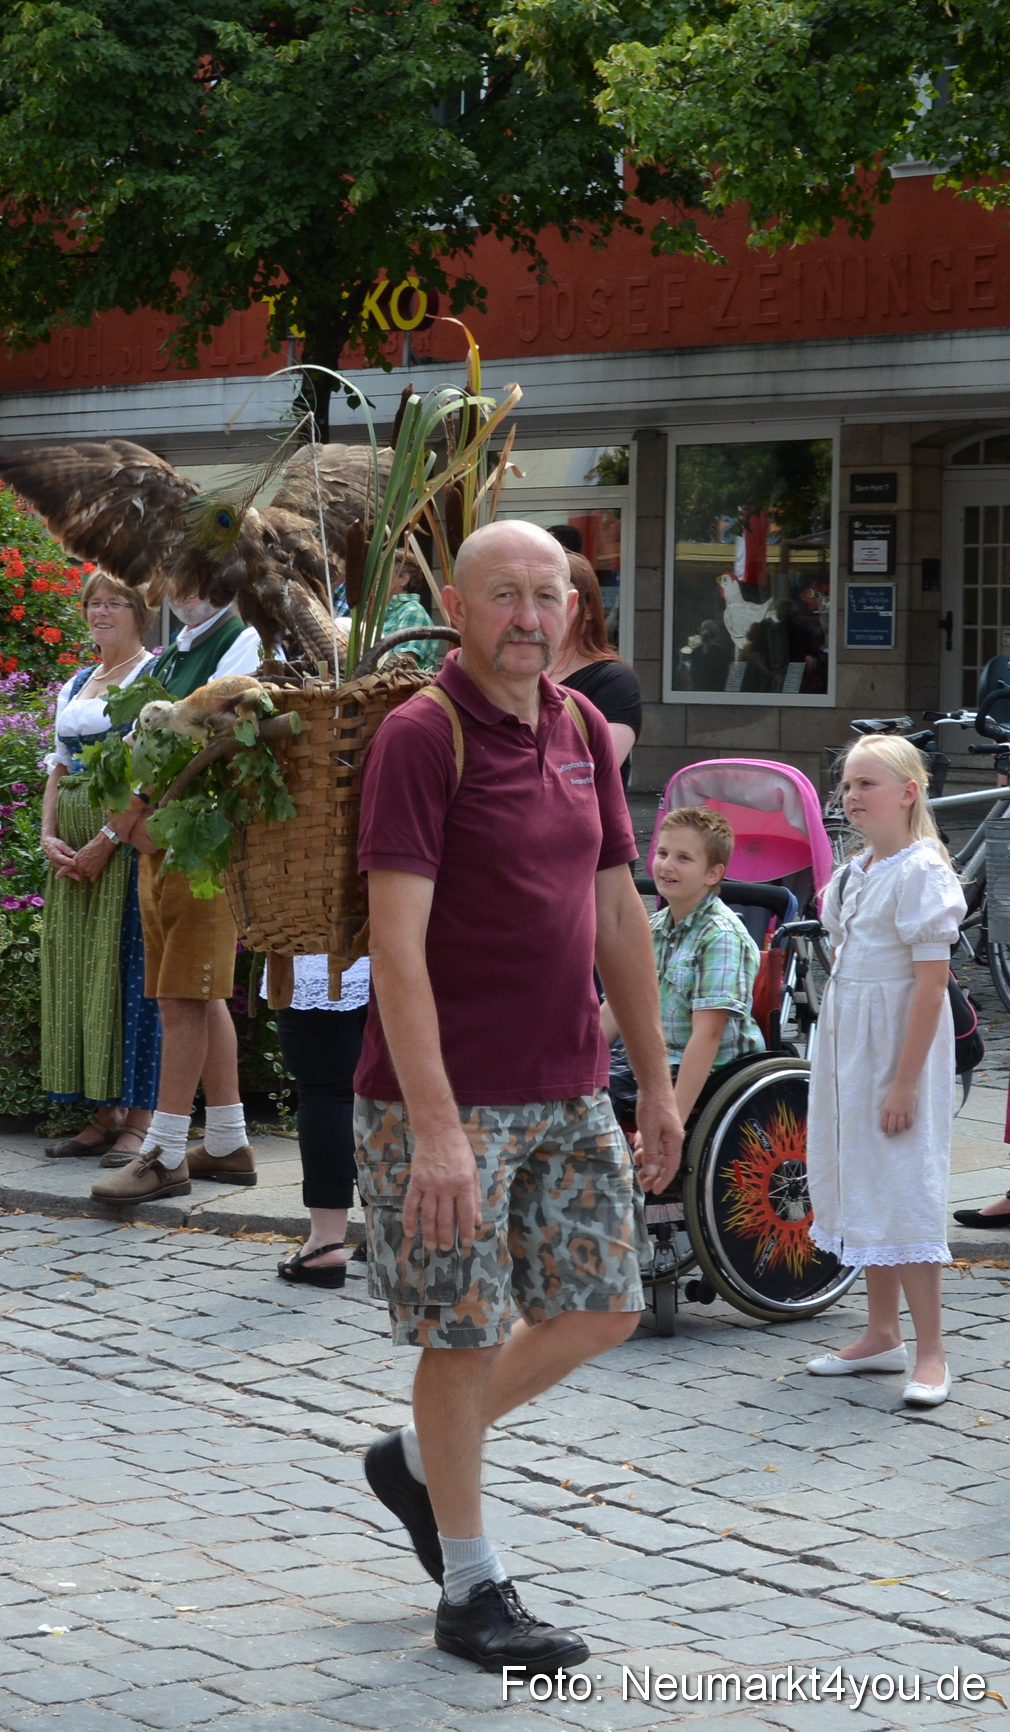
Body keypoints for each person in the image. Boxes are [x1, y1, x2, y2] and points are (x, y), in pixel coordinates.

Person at [354, 520, 681, 1676]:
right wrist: (436, 1131)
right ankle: (470, 1583)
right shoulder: (418, 736)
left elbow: (620, 912)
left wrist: (655, 1080)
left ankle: (414, 1456)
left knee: (607, 1304)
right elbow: (396, 949)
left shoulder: (584, 723)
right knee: (465, 1331)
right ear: (457, 604)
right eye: (505, 595)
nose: (530, 617)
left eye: (551, 594)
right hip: (446, 1102)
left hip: (570, 1082)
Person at [805, 736, 965, 1409]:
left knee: (903, 1186)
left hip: (896, 1052)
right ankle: (879, 1332)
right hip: (847, 1050)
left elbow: (929, 987)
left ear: (907, 791)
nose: (851, 797)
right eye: (846, 785)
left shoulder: (920, 872)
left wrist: (902, 1082)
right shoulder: (856, 871)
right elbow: (844, 960)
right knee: (860, 1179)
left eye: (867, 784)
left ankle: (930, 1350)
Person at [90, 596, 260, 1204]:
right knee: (194, 992)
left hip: (201, 842)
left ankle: (161, 1152)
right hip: (168, 841)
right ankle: (226, 1141)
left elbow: (223, 731)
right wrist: (130, 816)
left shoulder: (241, 643)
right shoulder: (183, 648)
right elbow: (154, 738)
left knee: (184, 995)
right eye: (175, 574)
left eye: (199, 575)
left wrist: (131, 810)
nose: (183, 588)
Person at [39, 571, 162, 1163]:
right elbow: (58, 769)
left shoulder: (150, 679)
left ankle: (140, 1119)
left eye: (116, 602)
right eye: (94, 602)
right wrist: (49, 835)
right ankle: (103, 1112)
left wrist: (106, 840)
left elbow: (147, 776)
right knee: (85, 976)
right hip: (72, 853)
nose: (101, 611)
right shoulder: (78, 682)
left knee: (131, 978)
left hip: (123, 849)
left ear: (141, 611)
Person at [604, 807, 764, 1127]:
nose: (667, 865)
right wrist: (577, 1064)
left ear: (713, 874)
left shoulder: (721, 937)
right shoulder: (651, 928)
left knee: (596, 1100)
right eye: (663, 853)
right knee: (574, 1087)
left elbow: (708, 1037)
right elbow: (617, 1008)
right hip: (657, 1059)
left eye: (683, 858)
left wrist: (670, 1123)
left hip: (714, 1072)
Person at [271, 953, 371, 1288]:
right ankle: (391, 1229)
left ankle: (326, 1243)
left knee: (326, 1092)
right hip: (398, 952)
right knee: (393, 1090)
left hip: (321, 950)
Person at [548, 551, 642, 791]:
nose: (542, 610)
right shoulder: (514, 672)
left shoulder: (615, 680)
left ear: (588, 609)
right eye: (538, 597)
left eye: (552, 597)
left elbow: (590, 772)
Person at [382, 555, 438, 670]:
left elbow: (402, 666)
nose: (377, 576)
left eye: (384, 570)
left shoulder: (412, 612)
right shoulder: (381, 612)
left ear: (404, 579)